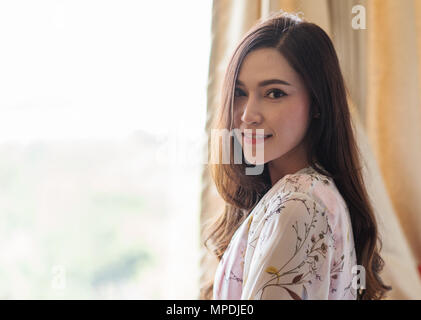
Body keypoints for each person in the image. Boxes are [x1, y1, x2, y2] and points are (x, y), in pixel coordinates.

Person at [202, 11, 392, 300]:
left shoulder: (298, 205)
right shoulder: (309, 195)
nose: (247, 114)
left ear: (317, 103)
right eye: (240, 92)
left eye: (274, 93)